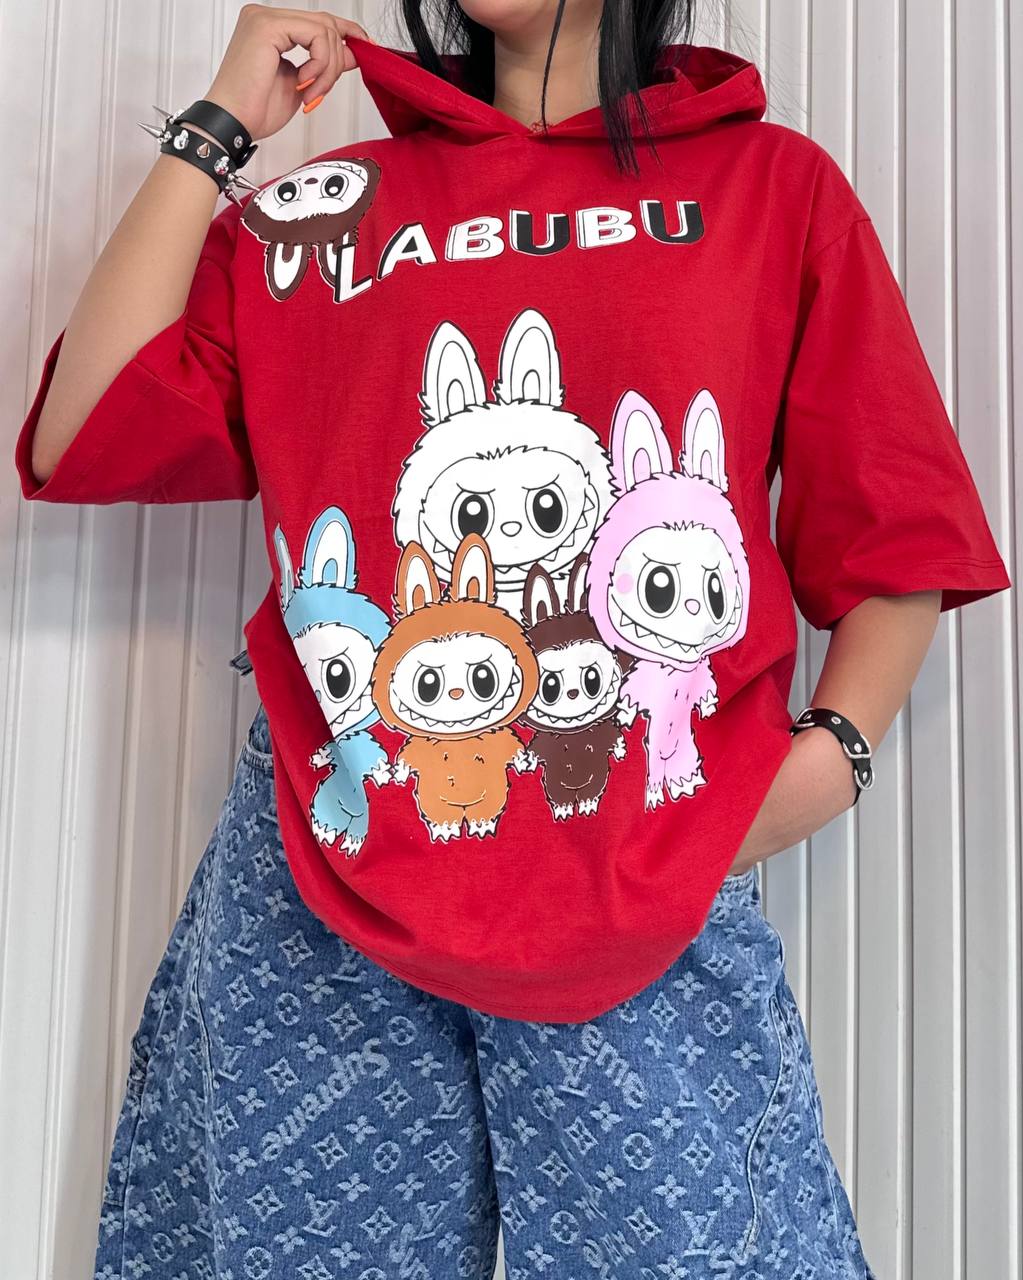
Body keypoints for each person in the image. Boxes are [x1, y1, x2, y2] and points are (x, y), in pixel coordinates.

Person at [14, 3, 1009, 1277]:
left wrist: (831, 760)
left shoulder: (769, 187)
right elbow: (80, 434)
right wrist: (217, 128)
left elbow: (895, 523)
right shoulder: (327, 210)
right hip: (328, 880)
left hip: (642, 877)